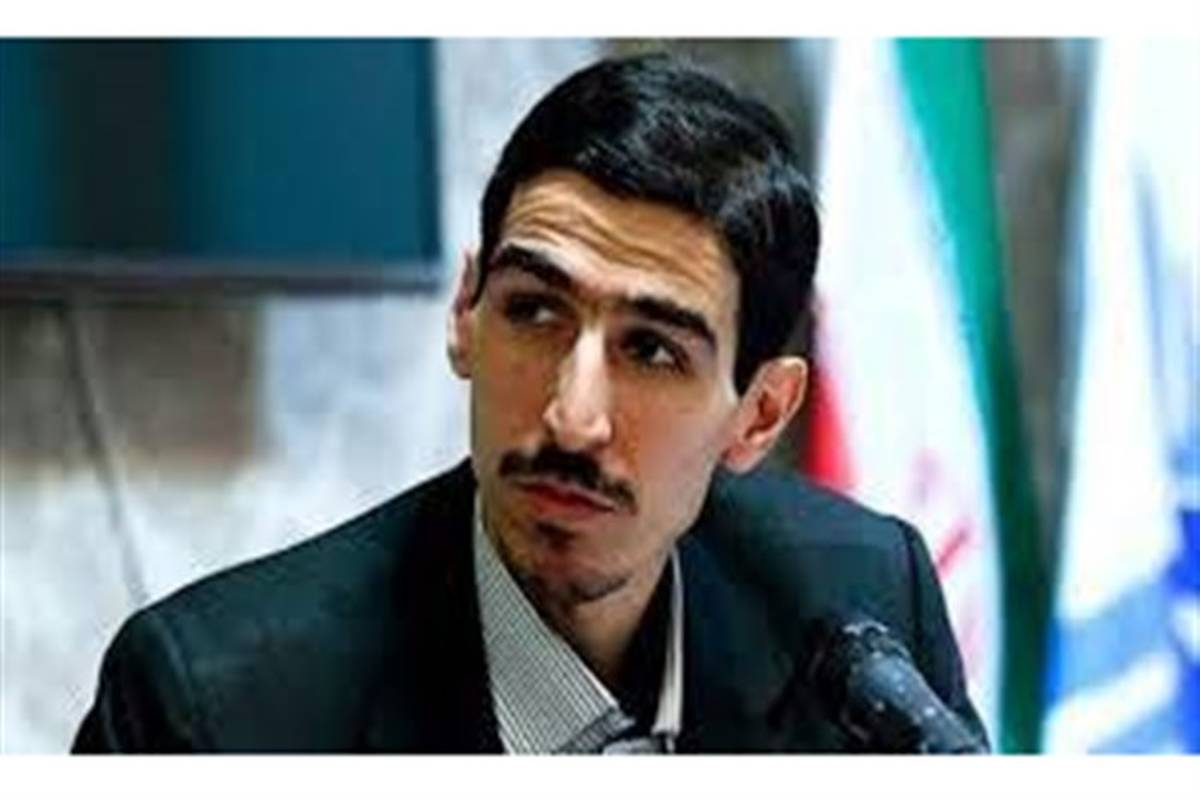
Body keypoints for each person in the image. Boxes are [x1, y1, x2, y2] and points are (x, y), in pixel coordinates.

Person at [72, 53, 986, 753]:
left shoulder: (862, 600)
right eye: (535, 312)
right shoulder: (215, 707)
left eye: (652, 350)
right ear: (466, 314)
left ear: (761, 414)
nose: (572, 417)